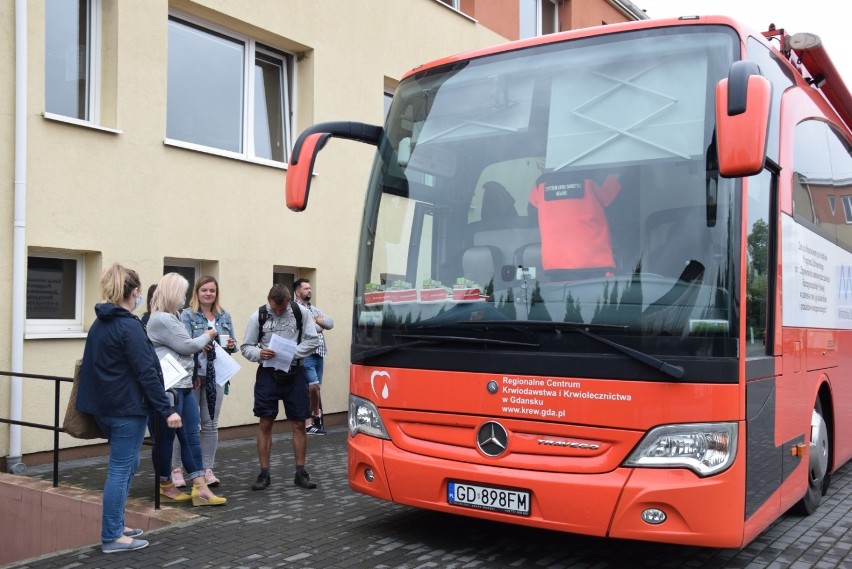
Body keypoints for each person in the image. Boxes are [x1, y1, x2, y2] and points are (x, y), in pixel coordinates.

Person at [76, 263, 181, 553]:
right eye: (138, 293)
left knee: (128, 464)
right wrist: (167, 410)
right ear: (134, 292)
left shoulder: (101, 323)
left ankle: (118, 524)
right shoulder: (129, 326)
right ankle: (112, 536)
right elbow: (147, 372)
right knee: (121, 469)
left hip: (105, 408)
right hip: (126, 410)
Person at [146, 273, 227, 506]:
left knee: (191, 434)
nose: (184, 296)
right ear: (172, 292)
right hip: (169, 388)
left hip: (183, 384)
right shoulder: (161, 318)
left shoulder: (175, 316)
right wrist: (209, 335)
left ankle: (200, 487)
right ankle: (165, 484)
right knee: (166, 438)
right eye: (182, 292)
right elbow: (187, 345)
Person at [240, 284, 320, 490]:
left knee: (299, 423)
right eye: (274, 308)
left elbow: (312, 340)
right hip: (268, 374)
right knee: (265, 422)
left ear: (288, 300)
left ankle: (300, 472)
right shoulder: (257, 315)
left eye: (281, 308)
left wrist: (291, 353)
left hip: (295, 373)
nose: (277, 311)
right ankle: (264, 473)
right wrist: (259, 354)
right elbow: (246, 347)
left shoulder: (300, 312)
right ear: (268, 299)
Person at [170, 276, 237, 488]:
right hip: (192, 377)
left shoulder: (224, 315)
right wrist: (201, 344)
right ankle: (177, 469)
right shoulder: (187, 315)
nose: (209, 294)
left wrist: (232, 345)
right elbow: (185, 345)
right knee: (185, 424)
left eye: (212, 291)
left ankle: (207, 469)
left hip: (215, 375)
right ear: (197, 292)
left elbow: (231, 346)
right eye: (205, 290)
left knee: (210, 423)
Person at [293, 278, 334, 436]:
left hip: (319, 354)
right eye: (306, 288)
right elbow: (309, 328)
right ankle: (313, 419)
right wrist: (319, 325)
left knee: (316, 388)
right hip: (307, 354)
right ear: (298, 292)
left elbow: (330, 323)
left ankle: (315, 418)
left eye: (310, 288)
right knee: (312, 386)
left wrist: (317, 321)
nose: (309, 291)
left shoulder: (314, 309)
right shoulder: (295, 308)